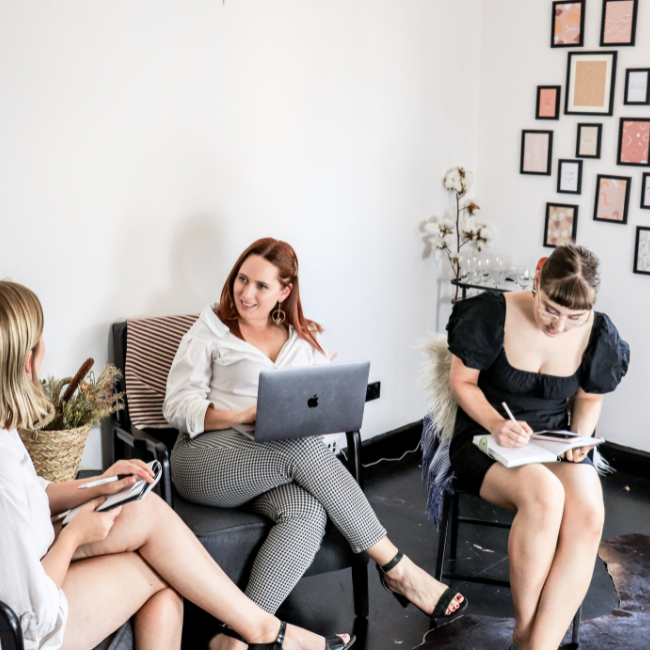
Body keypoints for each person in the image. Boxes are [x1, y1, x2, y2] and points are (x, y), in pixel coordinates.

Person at [0, 280, 356, 650]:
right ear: (27, 360)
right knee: (163, 574)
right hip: (27, 619)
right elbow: (30, 611)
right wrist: (74, 537)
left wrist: (99, 485)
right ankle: (266, 631)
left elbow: (35, 493)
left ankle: (258, 630)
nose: (247, 292)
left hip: (37, 556)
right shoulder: (2, 476)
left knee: (144, 509)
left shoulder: (5, 433)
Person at [163, 237, 467, 649]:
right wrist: (240, 415)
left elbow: (316, 411)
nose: (246, 292)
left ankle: (235, 637)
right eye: (242, 279)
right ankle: (397, 568)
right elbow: (177, 406)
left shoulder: (301, 341)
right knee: (297, 450)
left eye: (261, 286)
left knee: (306, 511)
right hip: (204, 459)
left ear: (285, 292)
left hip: (269, 465)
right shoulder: (211, 332)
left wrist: (322, 415)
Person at [446, 244, 630, 650]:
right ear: (538, 278)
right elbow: (462, 383)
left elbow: (588, 398)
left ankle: (538, 645)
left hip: (551, 443)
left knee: (588, 512)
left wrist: (580, 440)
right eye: (549, 309)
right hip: (485, 439)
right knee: (545, 496)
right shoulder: (491, 313)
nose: (558, 326)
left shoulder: (598, 333)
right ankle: (526, 632)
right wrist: (497, 423)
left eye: (573, 318)